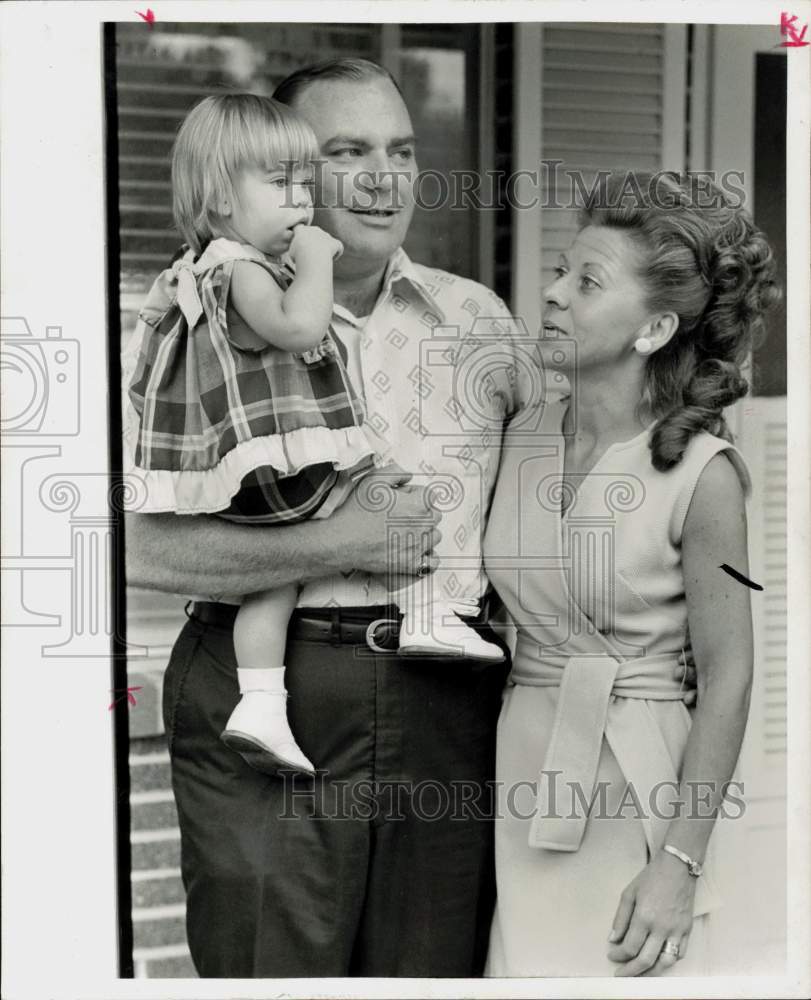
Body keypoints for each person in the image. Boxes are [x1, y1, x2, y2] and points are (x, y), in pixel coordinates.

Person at [122, 58, 520, 977]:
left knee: (431, 971)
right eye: (346, 152)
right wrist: (332, 543)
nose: (384, 177)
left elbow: (548, 523)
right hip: (269, 693)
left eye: (400, 150)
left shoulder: (478, 323)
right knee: (273, 969)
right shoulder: (193, 318)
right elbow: (126, 543)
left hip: (444, 703)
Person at [482, 171, 779, 977]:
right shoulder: (514, 434)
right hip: (520, 770)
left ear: (652, 327)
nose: (551, 295)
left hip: (637, 785)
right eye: (558, 272)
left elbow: (728, 676)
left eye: (585, 282)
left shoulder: (704, 474)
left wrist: (677, 866)